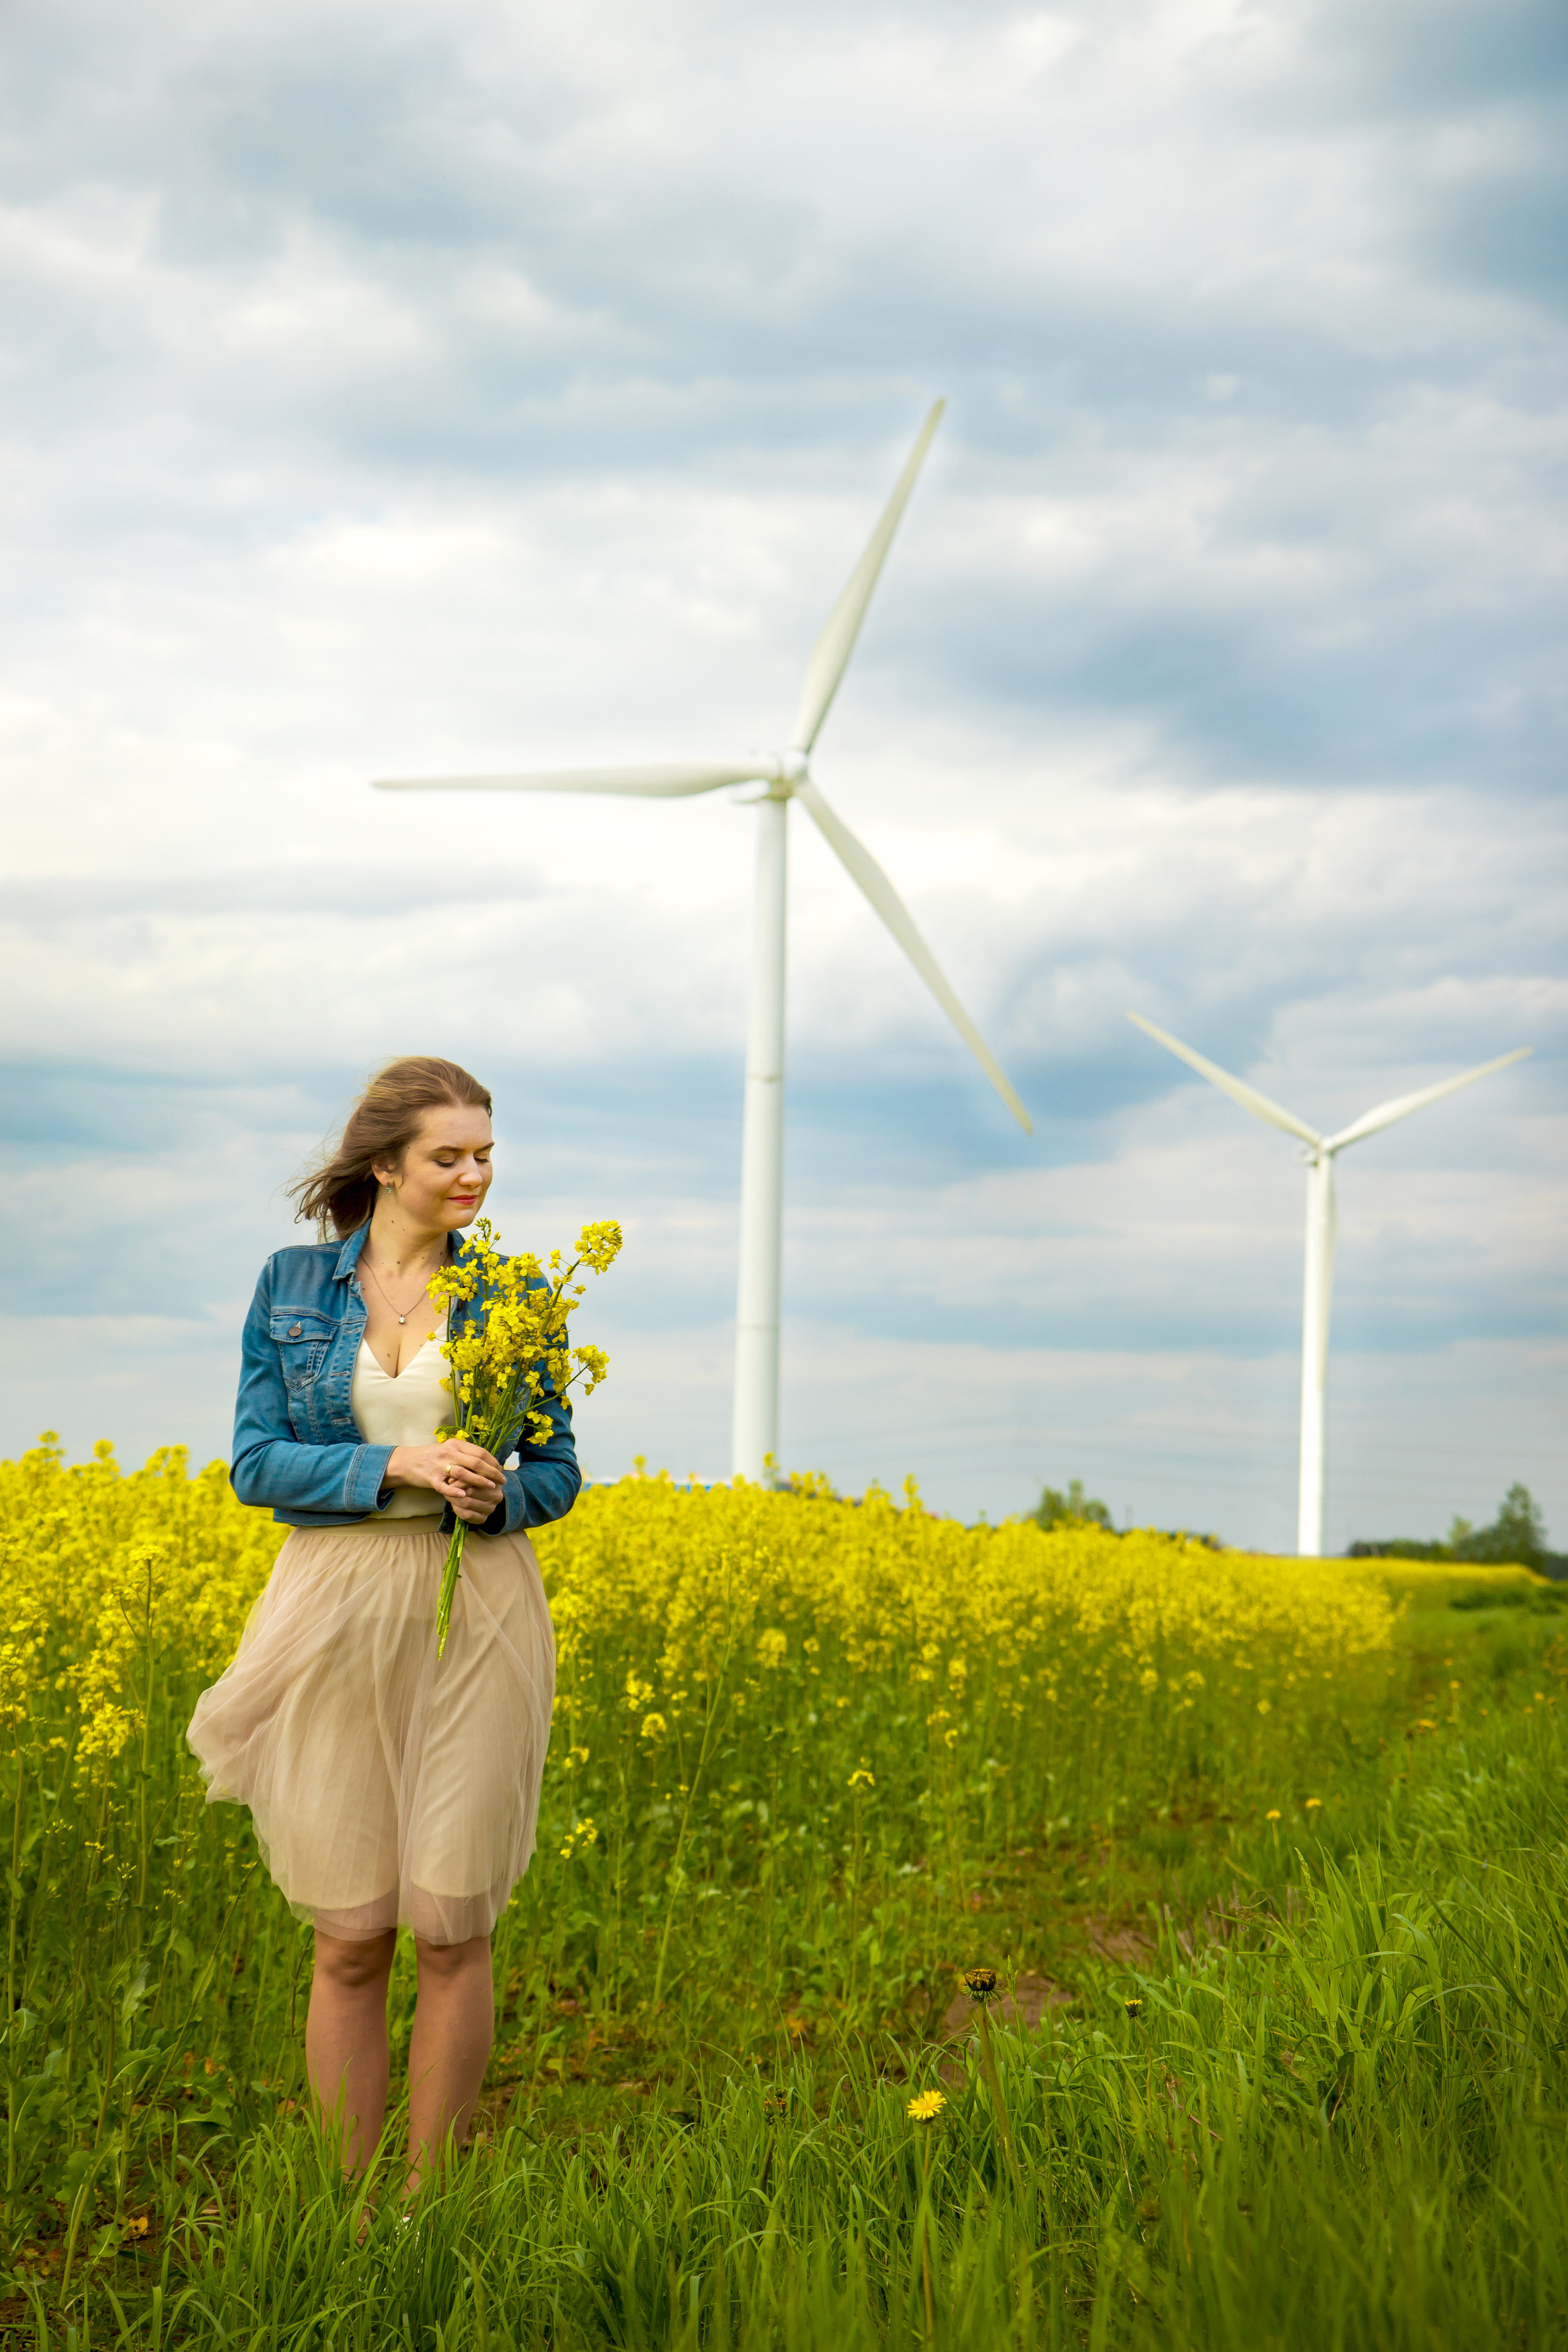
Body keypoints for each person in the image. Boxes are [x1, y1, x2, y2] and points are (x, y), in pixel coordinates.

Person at [187, 1056, 578, 2199]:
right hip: (335, 1603)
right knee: (351, 1933)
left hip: (480, 1607)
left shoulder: (519, 1295)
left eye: (487, 1155)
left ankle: (430, 2209)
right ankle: (346, 2216)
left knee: (453, 1926)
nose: (475, 1176)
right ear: (386, 1164)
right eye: (449, 1156)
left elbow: (556, 1469)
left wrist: (501, 1492)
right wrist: (395, 1462)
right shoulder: (294, 1284)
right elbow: (255, 1463)